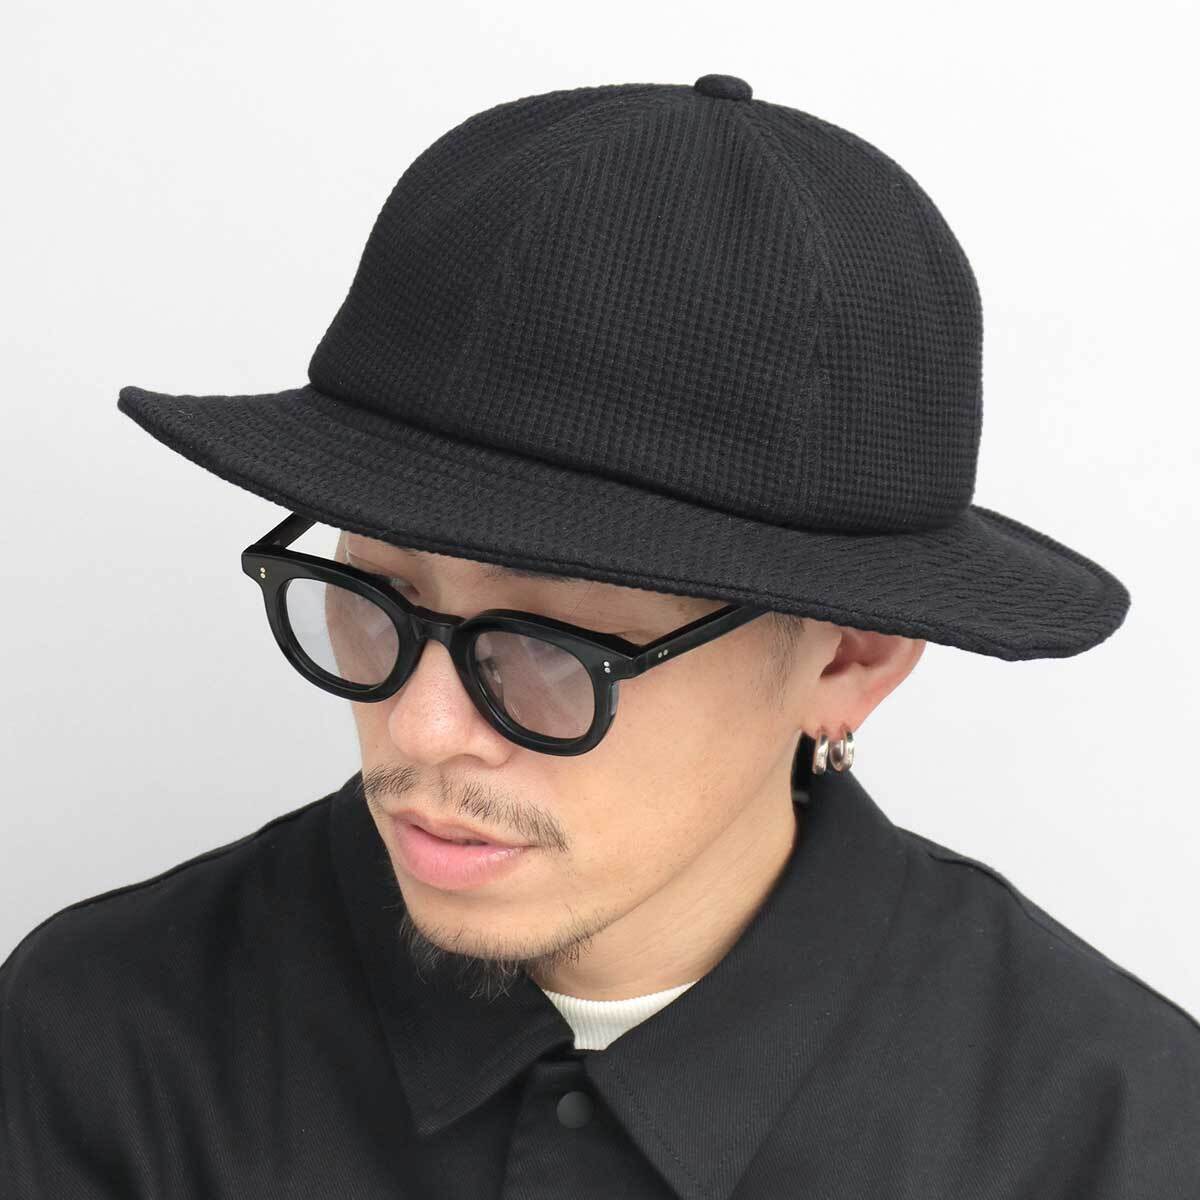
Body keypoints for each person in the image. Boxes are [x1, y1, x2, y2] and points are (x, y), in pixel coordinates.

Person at [2, 73, 1196, 1199]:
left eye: (547, 649)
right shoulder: (108, 1043)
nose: (420, 728)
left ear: (849, 659)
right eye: (377, 602)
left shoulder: (1116, 1141)